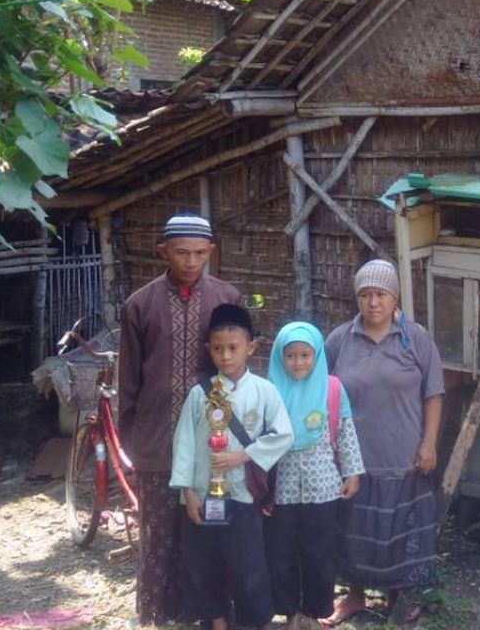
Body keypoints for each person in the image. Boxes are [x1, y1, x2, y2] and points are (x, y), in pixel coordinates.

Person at [118, 213, 240, 625]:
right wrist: (132, 440)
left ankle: (212, 613)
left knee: (209, 527)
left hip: (214, 442)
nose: (191, 262)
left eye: (199, 253)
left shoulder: (228, 300)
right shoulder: (140, 304)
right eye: (182, 253)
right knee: (158, 531)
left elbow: (238, 369)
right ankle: (157, 614)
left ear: (211, 252)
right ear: (163, 252)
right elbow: (129, 378)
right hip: (156, 437)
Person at [322, 260, 444, 627]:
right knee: (354, 529)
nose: (373, 302)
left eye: (381, 294)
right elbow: (323, 393)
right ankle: (355, 596)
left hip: (404, 455)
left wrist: (429, 444)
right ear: (357, 298)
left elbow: (434, 394)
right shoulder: (340, 340)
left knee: (400, 529)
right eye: (365, 294)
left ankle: (398, 597)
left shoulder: (416, 339)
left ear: (395, 298)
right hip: (355, 459)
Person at [170, 303, 293, 630]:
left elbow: (284, 435)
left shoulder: (265, 392)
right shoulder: (200, 395)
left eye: (234, 348)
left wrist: (243, 455)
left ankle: (261, 621)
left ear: (251, 347)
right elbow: (184, 443)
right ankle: (217, 621)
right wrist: (187, 492)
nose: (226, 356)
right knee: (203, 562)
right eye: (218, 349)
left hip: (241, 497)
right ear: (208, 349)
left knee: (249, 564)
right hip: (202, 494)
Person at [266, 322, 365, 630]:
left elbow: (346, 430)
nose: (298, 362)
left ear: (317, 355)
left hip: (323, 488)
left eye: (305, 355)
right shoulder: (269, 390)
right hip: (280, 489)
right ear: (280, 358)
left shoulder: (332, 388)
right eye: (291, 356)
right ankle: (289, 612)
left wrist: (352, 472)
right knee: (280, 551)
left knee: (319, 551)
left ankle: (312, 613)